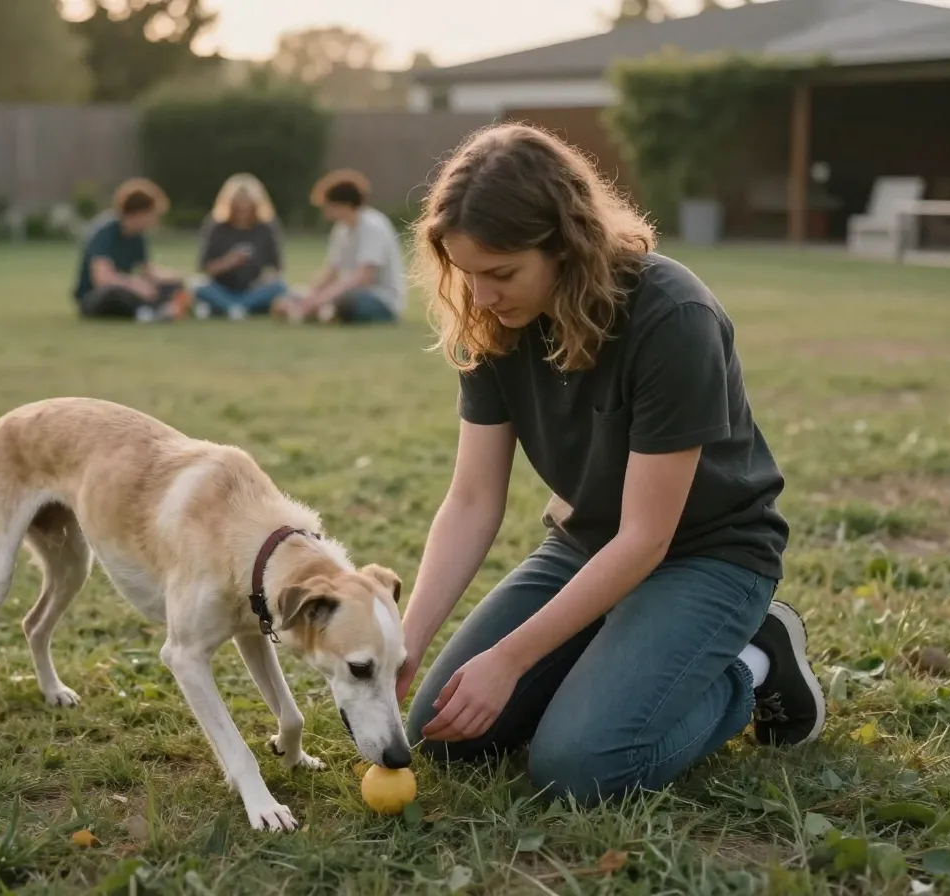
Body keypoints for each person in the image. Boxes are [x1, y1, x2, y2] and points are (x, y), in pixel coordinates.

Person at [396, 123, 826, 807]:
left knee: (579, 766)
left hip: (706, 555)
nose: (479, 298)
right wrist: (406, 638)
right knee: (442, 732)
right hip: (584, 545)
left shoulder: (671, 316)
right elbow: (474, 500)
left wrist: (511, 659)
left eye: (500, 274)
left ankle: (754, 660)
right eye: (466, 274)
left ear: (565, 245)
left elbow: (647, 537)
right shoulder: (490, 322)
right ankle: (612, 667)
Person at [273, 169, 406, 325]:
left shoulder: (373, 226)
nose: (325, 212)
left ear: (342, 205)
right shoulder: (341, 229)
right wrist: (312, 295)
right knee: (293, 295)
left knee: (344, 303)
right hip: (345, 292)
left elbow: (364, 278)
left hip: (378, 299)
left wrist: (323, 298)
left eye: (328, 206)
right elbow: (332, 270)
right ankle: (319, 312)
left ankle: (323, 312)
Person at [73, 178, 190, 322]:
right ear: (140, 213)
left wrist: (178, 277)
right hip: (97, 296)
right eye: (153, 215)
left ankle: (152, 310)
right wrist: (134, 285)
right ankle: (149, 311)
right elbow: (102, 278)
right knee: (115, 293)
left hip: (127, 289)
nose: (155, 221)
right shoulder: (105, 232)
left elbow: (148, 272)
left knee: (171, 286)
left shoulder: (138, 236)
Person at [192, 174, 287, 320]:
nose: (242, 213)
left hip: (253, 289)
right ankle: (237, 307)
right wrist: (228, 262)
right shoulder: (217, 227)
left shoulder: (266, 228)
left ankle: (232, 308)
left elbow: (276, 268)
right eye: (238, 209)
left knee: (279, 286)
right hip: (222, 288)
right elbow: (205, 269)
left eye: (247, 209)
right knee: (198, 286)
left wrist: (266, 278)